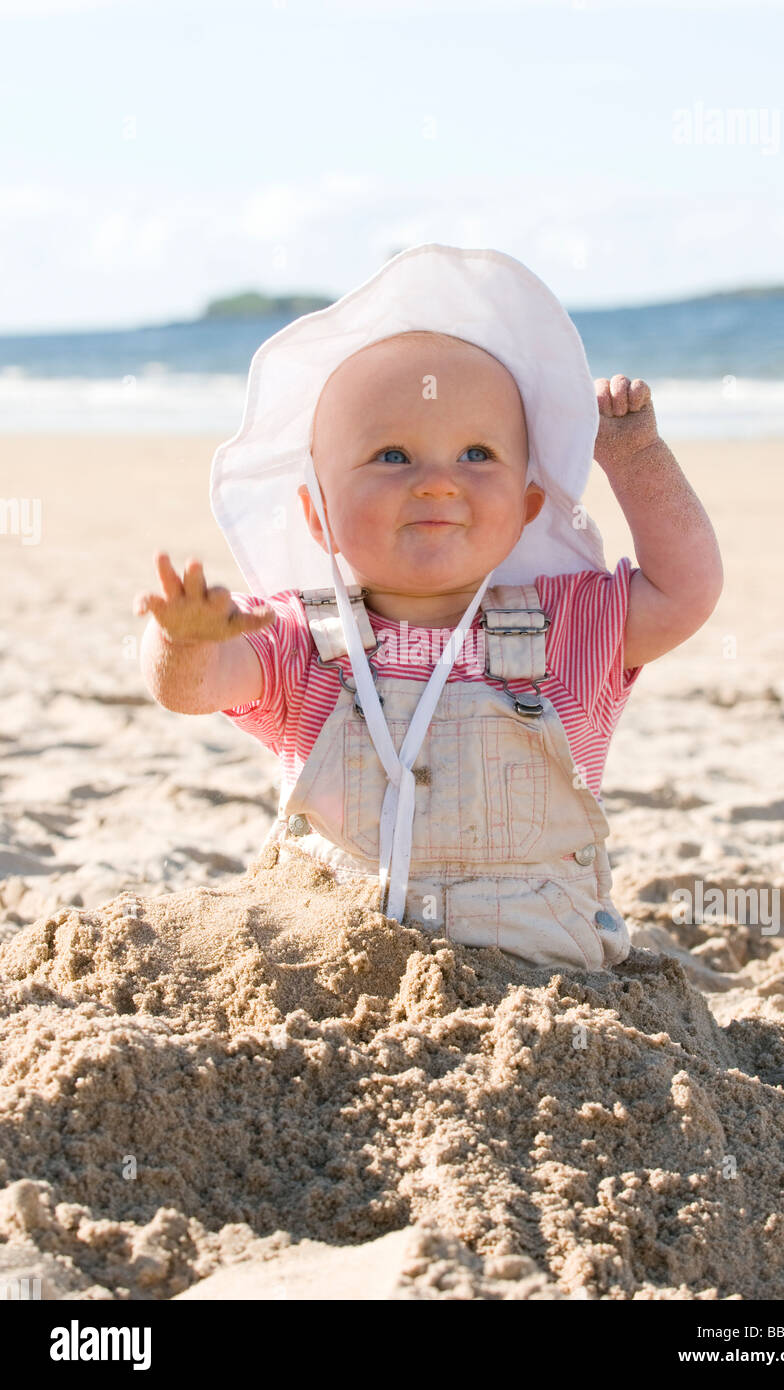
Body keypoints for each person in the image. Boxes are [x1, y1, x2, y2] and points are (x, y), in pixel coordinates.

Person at [134, 245, 722, 973]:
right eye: (391, 457)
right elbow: (190, 689)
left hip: (544, 981)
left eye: (476, 454)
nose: (438, 483)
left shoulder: (569, 625)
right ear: (317, 514)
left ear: (528, 506)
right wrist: (182, 643)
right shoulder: (300, 636)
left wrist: (636, 459)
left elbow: (684, 591)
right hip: (335, 971)